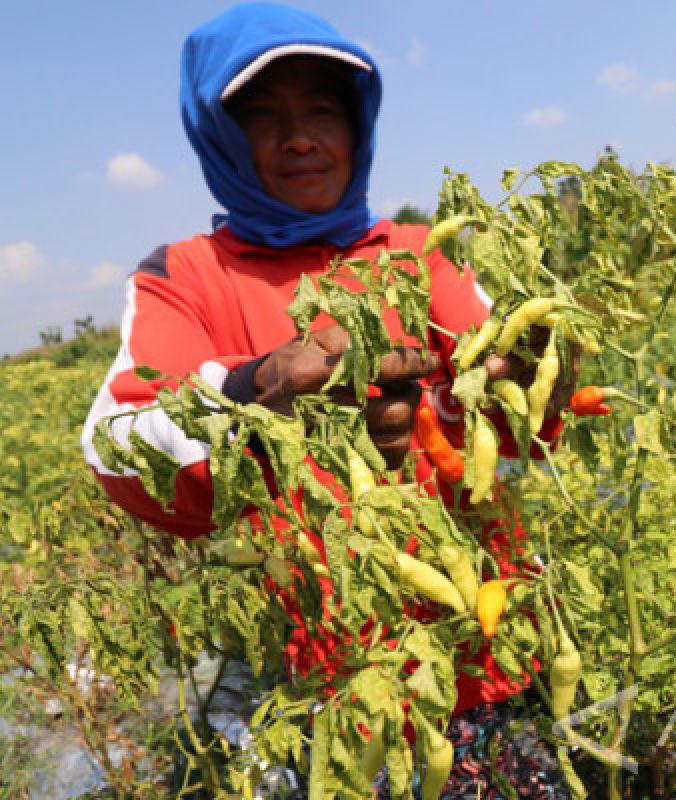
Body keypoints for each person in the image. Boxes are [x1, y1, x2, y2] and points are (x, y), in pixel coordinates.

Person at [80, 3, 575, 796]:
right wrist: (255, 387)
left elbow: (516, 429)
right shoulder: (185, 276)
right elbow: (117, 439)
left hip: (480, 649)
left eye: (322, 109)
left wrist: (537, 376)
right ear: (217, 136)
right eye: (262, 116)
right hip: (328, 671)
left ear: (358, 125)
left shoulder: (424, 256)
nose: (299, 136)